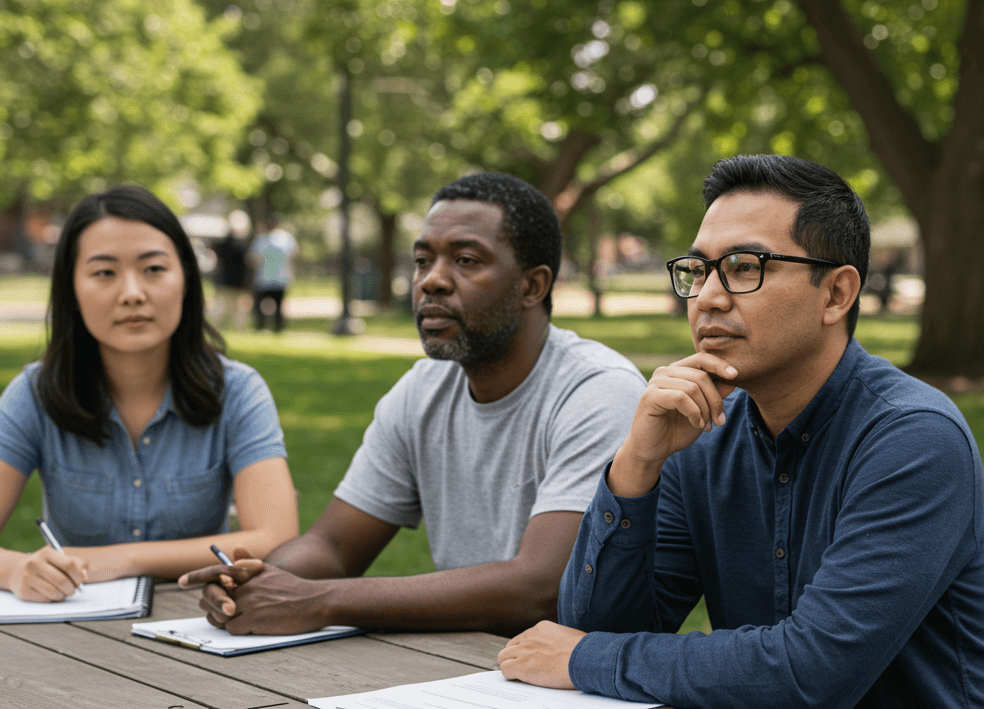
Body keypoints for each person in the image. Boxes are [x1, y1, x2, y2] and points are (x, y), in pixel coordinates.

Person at [497, 155, 984, 707]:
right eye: (698, 270)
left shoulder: (914, 440)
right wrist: (635, 466)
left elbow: (811, 674)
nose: (708, 297)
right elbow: (599, 628)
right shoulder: (701, 434)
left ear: (836, 294)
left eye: (744, 267)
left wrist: (583, 660)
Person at [180, 173, 646, 636]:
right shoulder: (423, 389)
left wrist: (319, 601)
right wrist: (256, 581)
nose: (432, 281)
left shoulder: (597, 392)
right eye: (423, 260)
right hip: (465, 662)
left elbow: (540, 587)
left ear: (532, 286)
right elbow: (334, 546)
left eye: (466, 260)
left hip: (582, 680)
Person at [0, 185, 299, 602]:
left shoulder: (238, 392)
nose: (132, 293)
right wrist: (17, 569)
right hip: (69, 636)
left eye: (153, 269)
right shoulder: (33, 395)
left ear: (186, 279)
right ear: (72, 288)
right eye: (104, 272)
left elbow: (277, 538)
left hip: (200, 626)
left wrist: (120, 560)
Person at [248, 213, 297, 332]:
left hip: (272, 277)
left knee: (270, 305)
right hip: (270, 277)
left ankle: (269, 326)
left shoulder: (264, 240)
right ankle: (268, 326)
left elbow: (252, 258)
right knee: (268, 305)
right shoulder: (284, 239)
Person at [211, 210, 252, 331]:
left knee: (223, 307)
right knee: (236, 308)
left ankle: (218, 327)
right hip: (236, 281)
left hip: (224, 280)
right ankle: (238, 329)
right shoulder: (241, 247)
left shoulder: (221, 245)